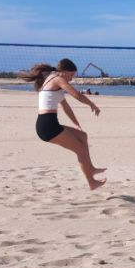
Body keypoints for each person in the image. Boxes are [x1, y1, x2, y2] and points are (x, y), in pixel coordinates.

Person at [25, 58, 107, 190]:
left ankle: (90, 168)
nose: (72, 79)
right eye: (71, 75)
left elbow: (66, 107)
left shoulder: (53, 81)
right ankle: (91, 182)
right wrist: (92, 104)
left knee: (83, 136)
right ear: (63, 72)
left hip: (48, 124)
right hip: (47, 126)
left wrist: (76, 124)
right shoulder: (57, 79)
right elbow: (77, 95)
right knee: (80, 150)